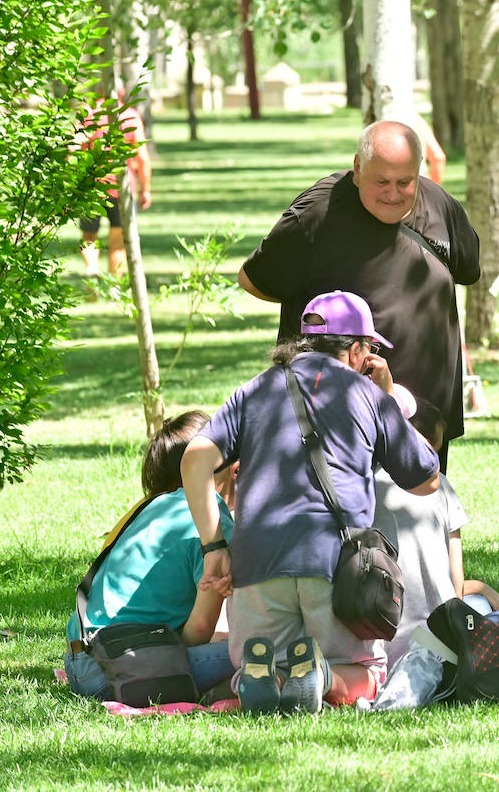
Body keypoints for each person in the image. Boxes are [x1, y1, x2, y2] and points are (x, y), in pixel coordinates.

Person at [180, 290, 440, 714]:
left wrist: (214, 548)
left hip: (257, 561)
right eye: (369, 349)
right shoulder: (367, 394)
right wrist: (388, 399)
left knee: (265, 658)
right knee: (369, 671)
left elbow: (195, 458)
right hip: (335, 565)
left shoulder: (255, 389)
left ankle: (261, 676)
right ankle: (322, 677)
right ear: (357, 349)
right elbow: (426, 481)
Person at [237, 119, 480, 469]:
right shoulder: (318, 213)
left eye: (404, 182)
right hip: (340, 407)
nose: (393, 193)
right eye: (381, 181)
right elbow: (254, 279)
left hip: (424, 411)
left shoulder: (440, 205)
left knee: (425, 509)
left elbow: (467, 269)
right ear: (357, 167)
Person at [64, 411, 236, 702]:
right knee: (268, 648)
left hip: (79, 663)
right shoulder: (211, 520)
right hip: (124, 670)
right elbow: (201, 630)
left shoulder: (153, 507)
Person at [371, 397, 499, 662]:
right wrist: (482, 589)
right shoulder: (441, 486)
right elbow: (455, 588)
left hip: (380, 638)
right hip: (443, 642)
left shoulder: (365, 487)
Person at [76, 97, 152, 279]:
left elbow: (74, 147)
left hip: (91, 185)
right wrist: (145, 190)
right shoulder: (130, 115)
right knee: (118, 239)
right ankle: (115, 286)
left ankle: (92, 267)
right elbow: (142, 157)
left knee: (89, 235)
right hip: (121, 186)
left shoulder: (89, 112)